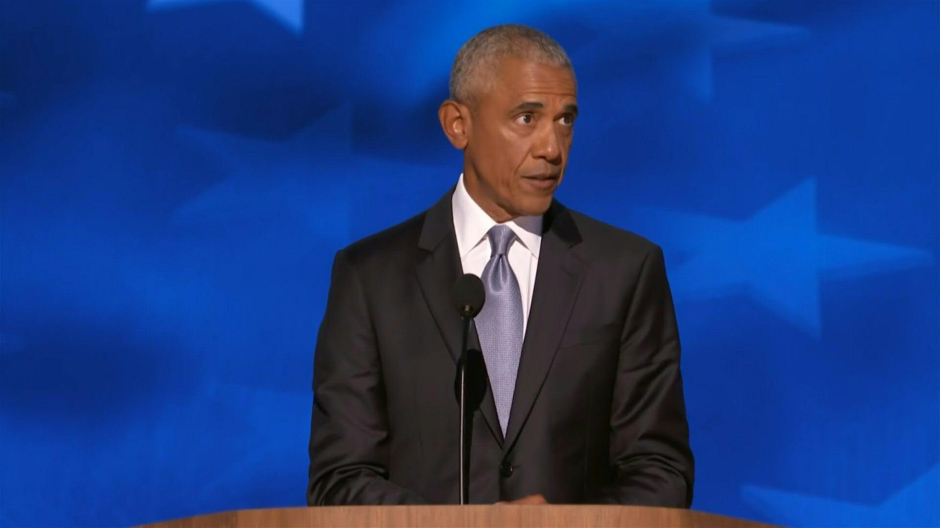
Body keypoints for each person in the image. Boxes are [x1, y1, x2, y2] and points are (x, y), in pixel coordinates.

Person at [307, 24, 694, 506]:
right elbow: (339, 479)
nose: (552, 148)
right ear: (457, 125)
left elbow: (660, 471)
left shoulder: (626, 271)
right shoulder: (370, 277)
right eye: (527, 118)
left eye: (566, 120)